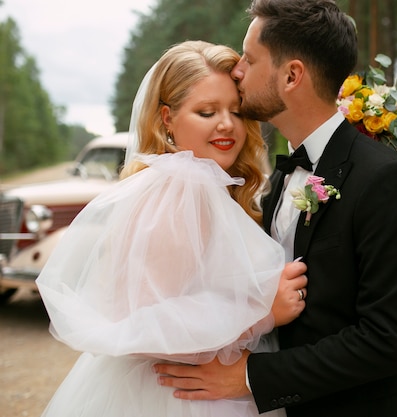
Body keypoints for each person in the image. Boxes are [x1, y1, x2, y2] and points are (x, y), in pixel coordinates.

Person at [154, 1, 397, 416]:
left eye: (249, 59)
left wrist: (250, 376)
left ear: (291, 75)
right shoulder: (282, 178)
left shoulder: (385, 180)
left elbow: (387, 339)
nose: (237, 71)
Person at [35, 40, 308, 417]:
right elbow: (149, 324)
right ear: (167, 118)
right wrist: (263, 312)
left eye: (234, 110)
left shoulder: (207, 186)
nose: (226, 124)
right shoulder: (180, 187)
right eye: (206, 111)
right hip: (173, 397)